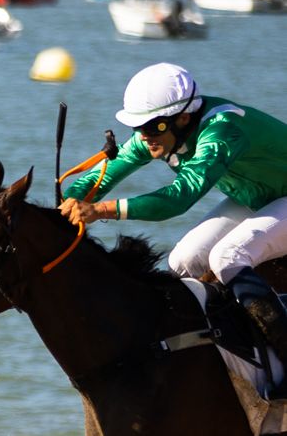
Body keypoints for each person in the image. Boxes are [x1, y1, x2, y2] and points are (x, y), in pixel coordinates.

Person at [61, 62, 287, 375]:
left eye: (152, 127)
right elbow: (105, 176)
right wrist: (68, 202)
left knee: (227, 256)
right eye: (139, 128)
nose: (143, 136)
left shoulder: (221, 130)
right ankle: (214, 357)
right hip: (257, 196)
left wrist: (101, 211)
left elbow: (179, 197)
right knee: (183, 261)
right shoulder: (157, 132)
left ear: (183, 118)